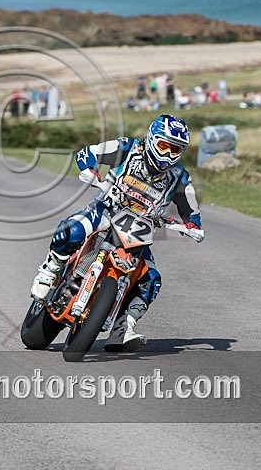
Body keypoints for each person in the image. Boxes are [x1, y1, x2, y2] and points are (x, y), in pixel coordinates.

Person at [30, 114, 203, 352]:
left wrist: (193, 225)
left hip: (140, 228)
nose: (168, 154)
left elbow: (190, 206)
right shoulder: (128, 148)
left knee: (152, 280)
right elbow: (87, 153)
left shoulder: (179, 176)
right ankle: (49, 271)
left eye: (175, 149)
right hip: (107, 210)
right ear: (152, 139)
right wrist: (89, 170)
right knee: (73, 230)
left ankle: (124, 327)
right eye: (164, 145)